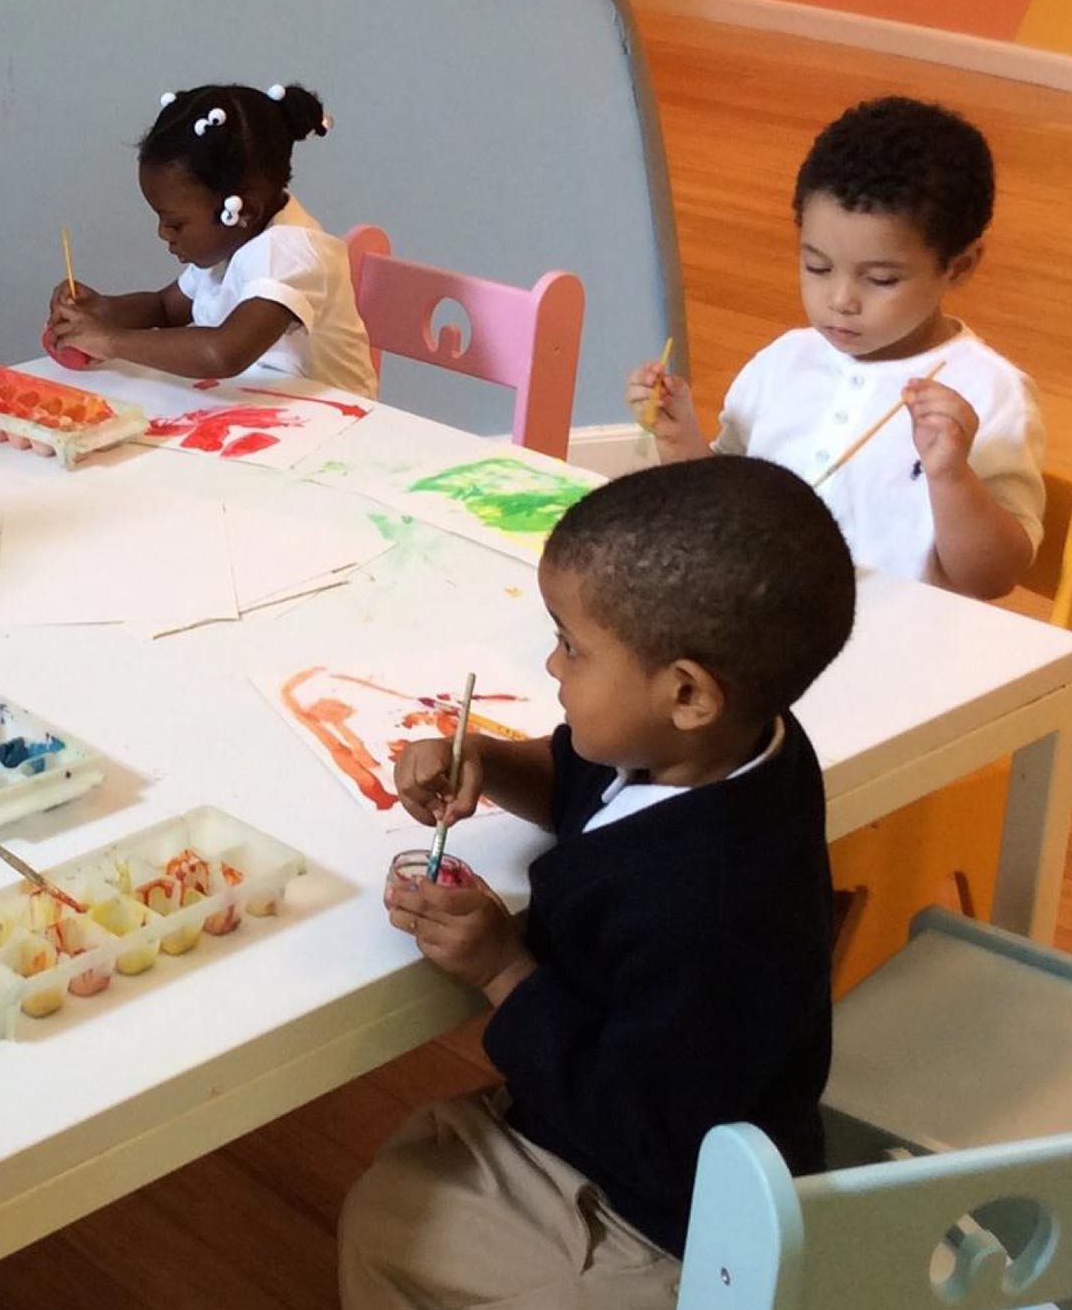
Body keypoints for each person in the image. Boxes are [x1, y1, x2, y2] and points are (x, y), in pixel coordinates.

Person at [340, 456, 856, 1308]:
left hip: (672, 1221)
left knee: (391, 1227)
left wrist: (501, 967)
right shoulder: (726, 745)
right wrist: (486, 759)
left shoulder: (711, 904)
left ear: (686, 692)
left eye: (572, 646)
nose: (552, 664)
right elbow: (588, 781)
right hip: (664, 1130)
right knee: (418, 1169)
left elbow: (645, 1127)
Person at [632, 96, 1042, 597]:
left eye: (881, 279)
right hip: (763, 622)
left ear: (958, 267)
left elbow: (992, 579)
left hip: (906, 636)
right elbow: (723, 512)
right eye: (818, 267)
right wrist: (680, 439)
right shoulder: (784, 361)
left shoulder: (988, 391)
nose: (841, 300)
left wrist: (951, 476)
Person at [47, 81, 378, 396]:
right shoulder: (232, 242)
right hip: (265, 410)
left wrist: (111, 341)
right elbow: (164, 308)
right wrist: (102, 309)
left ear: (243, 211)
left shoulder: (291, 254)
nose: (162, 233)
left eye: (175, 224)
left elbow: (223, 353)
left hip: (340, 425)